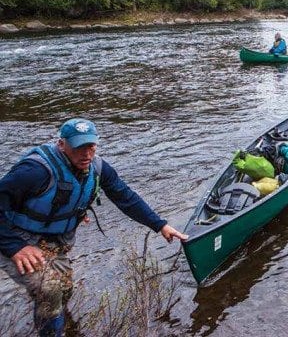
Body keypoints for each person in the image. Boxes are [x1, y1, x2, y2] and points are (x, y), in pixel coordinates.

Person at [0, 118, 188, 336]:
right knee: (48, 290)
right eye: (79, 147)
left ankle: (58, 325)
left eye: (91, 146)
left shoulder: (98, 168)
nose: (86, 154)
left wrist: (160, 225)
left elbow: (125, 197)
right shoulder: (34, 171)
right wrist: (14, 247)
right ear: (62, 145)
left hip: (55, 241)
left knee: (64, 290)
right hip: (15, 237)